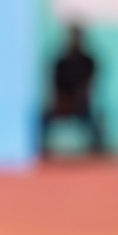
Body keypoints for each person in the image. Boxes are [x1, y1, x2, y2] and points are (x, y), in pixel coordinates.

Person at [40, 23, 107, 158]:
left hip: (82, 104)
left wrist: (80, 101)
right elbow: (55, 86)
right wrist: (62, 102)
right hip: (63, 103)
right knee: (43, 117)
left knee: (98, 119)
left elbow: (90, 87)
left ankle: (98, 152)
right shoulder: (60, 62)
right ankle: (43, 151)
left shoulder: (88, 61)